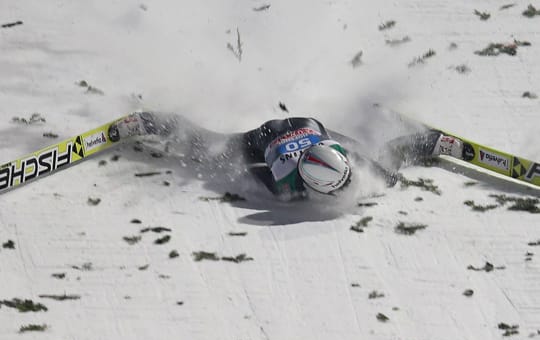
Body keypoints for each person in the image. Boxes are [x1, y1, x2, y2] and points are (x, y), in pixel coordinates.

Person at [114, 112, 464, 200]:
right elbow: (252, 170)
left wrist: (390, 177)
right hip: (263, 139)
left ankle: (428, 142)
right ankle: (150, 121)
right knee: (209, 149)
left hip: (311, 127)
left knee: (381, 157)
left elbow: (367, 164)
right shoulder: (287, 182)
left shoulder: (336, 156)